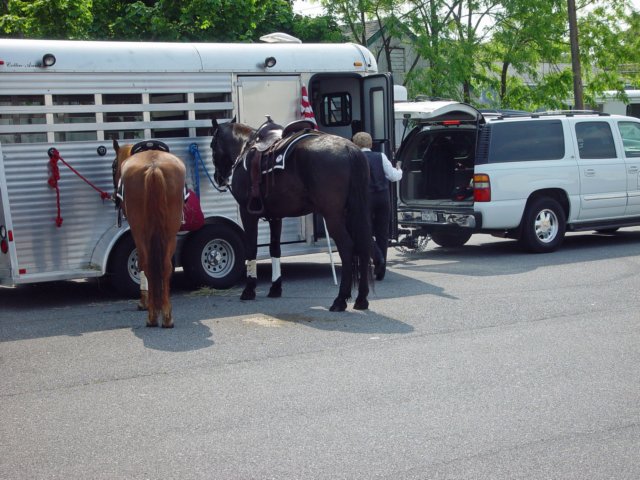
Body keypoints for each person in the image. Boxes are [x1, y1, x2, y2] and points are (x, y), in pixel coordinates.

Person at [352, 131, 402, 280]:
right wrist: (399, 169)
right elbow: (393, 176)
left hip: (365, 199)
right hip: (382, 197)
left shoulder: (354, 158)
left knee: (363, 230)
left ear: (355, 144)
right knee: (382, 233)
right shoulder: (381, 156)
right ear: (371, 144)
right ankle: (381, 271)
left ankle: (376, 256)